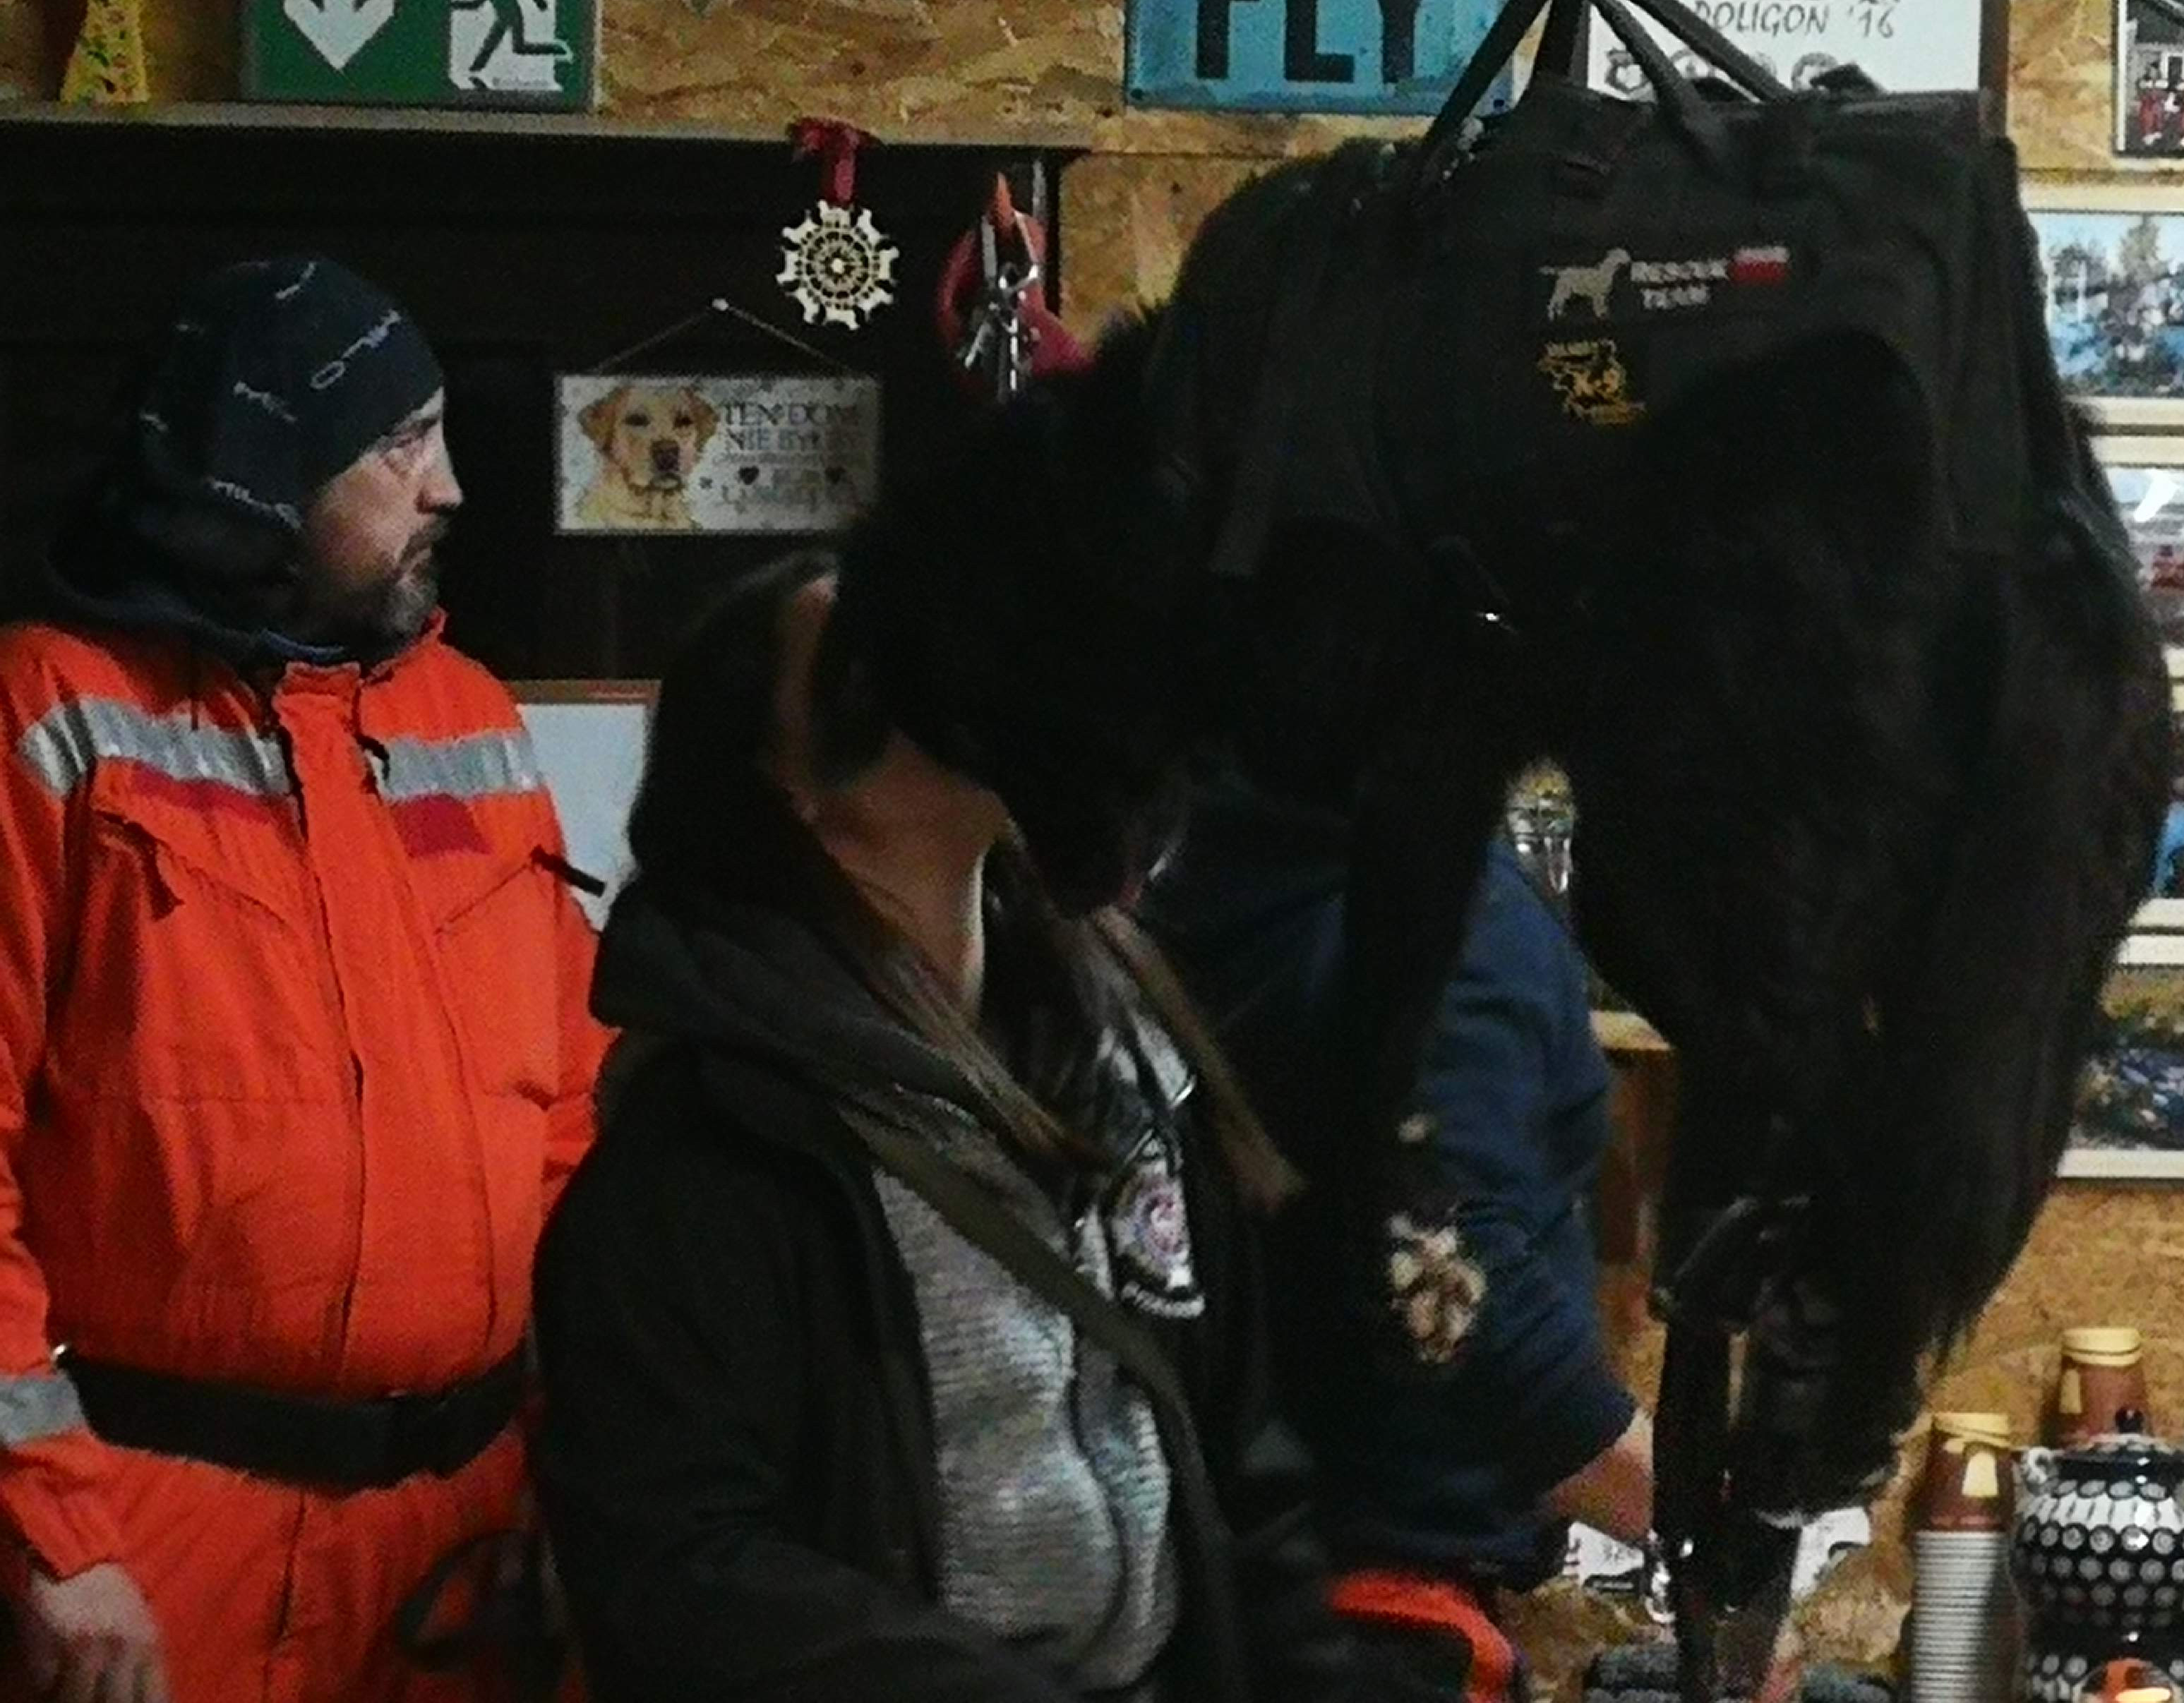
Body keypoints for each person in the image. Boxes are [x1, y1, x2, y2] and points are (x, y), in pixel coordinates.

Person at [531, 551, 1354, 1703]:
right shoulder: (712, 1151)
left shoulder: (1122, 1060)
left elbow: (1240, 1461)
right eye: (880, 671)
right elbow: (681, 1577)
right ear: (787, 786)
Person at [0, 258, 604, 1703]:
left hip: (461, 1553)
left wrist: (579, 1479)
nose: (449, 487)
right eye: (401, 443)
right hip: (150, 1558)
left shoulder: (471, 722)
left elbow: (572, 1137)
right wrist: (52, 1535)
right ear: (261, 472)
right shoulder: (58, 712)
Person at [1141, 745, 1652, 1703]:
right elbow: (1453, 1280)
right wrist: (1708, 1532)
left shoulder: (1208, 858)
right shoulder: (1450, 906)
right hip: (1384, 1618)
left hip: (1235, 1598)